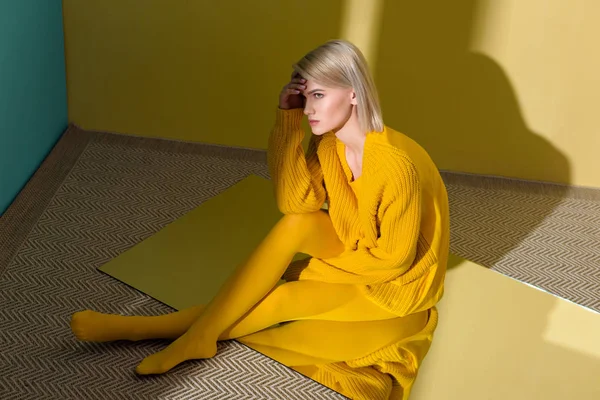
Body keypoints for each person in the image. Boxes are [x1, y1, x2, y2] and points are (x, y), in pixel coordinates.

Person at [70, 39, 450, 400]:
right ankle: (193, 336)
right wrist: (287, 121)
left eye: (318, 96)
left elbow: (393, 260)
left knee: (282, 295)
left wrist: (315, 269)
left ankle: (153, 330)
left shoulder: (396, 166)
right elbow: (295, 202)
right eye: (305, 97)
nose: (309, 109)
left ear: (353, 93)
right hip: (357, 248)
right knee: (295, 226)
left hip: (398, 285)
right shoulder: (330, 142)